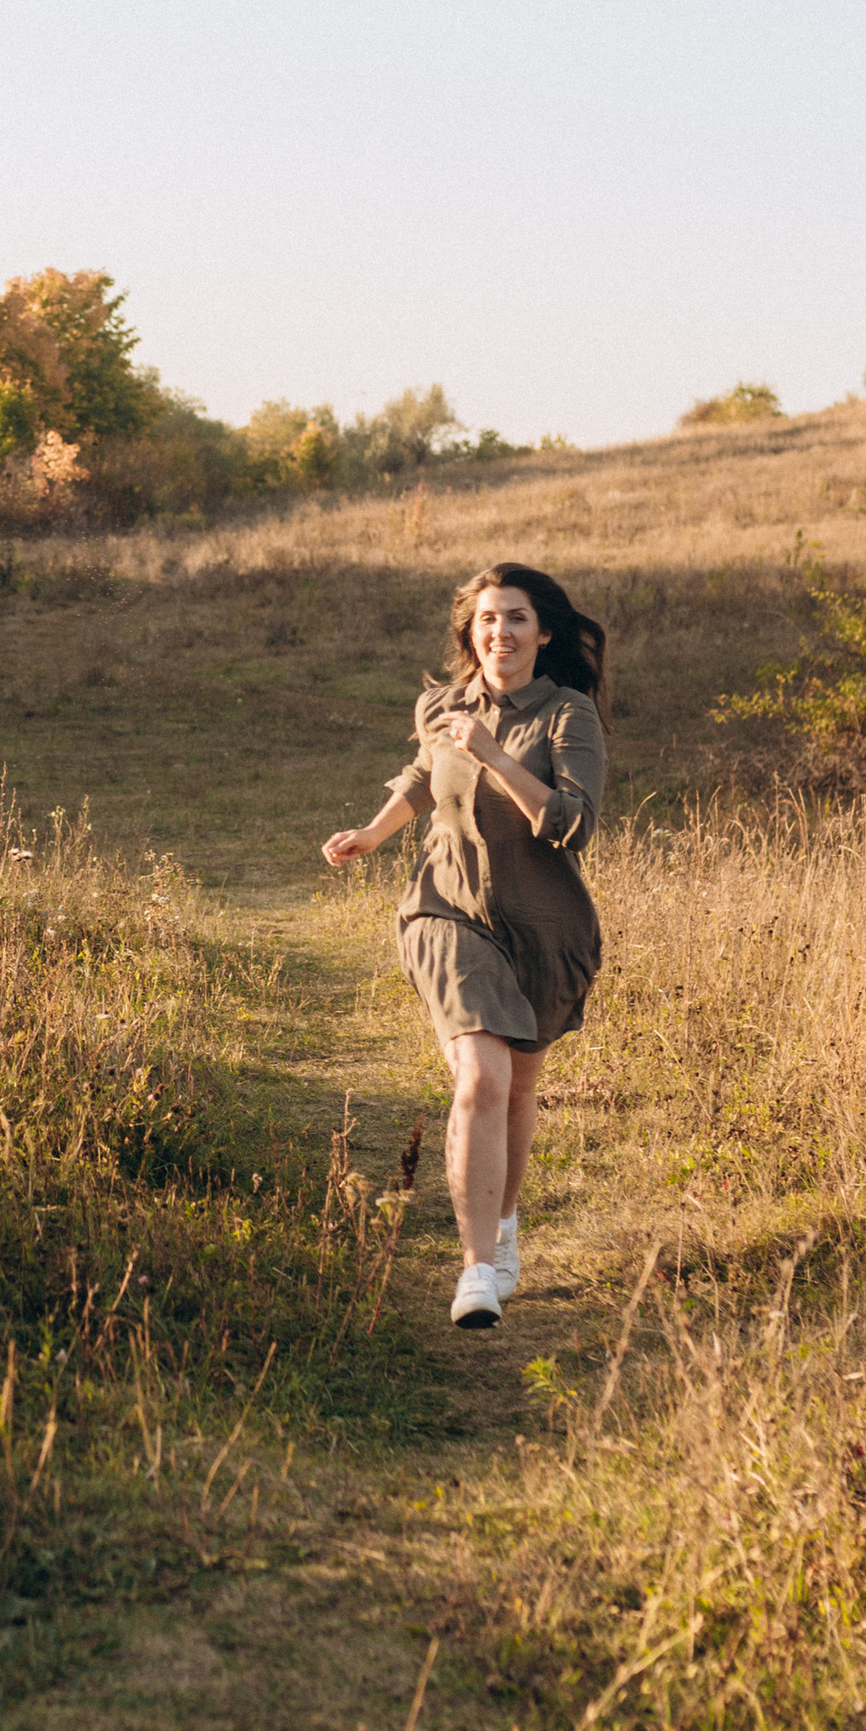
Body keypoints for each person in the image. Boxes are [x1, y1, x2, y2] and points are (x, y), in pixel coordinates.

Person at [322, 563, 608, 1330]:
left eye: (516, 618)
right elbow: (424, 775)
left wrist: (496, 756)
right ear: (469, 630)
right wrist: (372, 834)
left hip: (545, 926)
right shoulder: (440, 706)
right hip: (445, 909)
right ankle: (476, 1270)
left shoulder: (567, 714)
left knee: (516, 1087)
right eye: (487, 619)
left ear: (543, 632)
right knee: (480, 1076)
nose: (500, 632)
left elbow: (574, 824)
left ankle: (504, 1225)